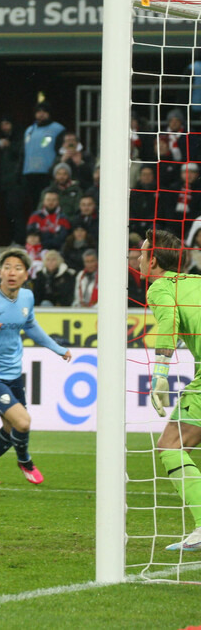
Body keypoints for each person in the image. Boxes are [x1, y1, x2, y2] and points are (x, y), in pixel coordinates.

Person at [0, 249, 71, 485]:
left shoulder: (27, 298)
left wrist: (57, 348)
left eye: (18, 268)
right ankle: (25, 461)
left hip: (12, 371)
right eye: (7, 267)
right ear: (0, 271)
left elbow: (31, 327)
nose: (12, 272)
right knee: (23, 422)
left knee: (11, 430)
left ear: (26, 274)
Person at [141, 229, 201, 551]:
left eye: (141, 251)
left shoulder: (160, 288)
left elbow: (169, 326)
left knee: (170, 446)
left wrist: (160, 374)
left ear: (152, 261)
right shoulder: (196, 281)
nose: (136, 256)